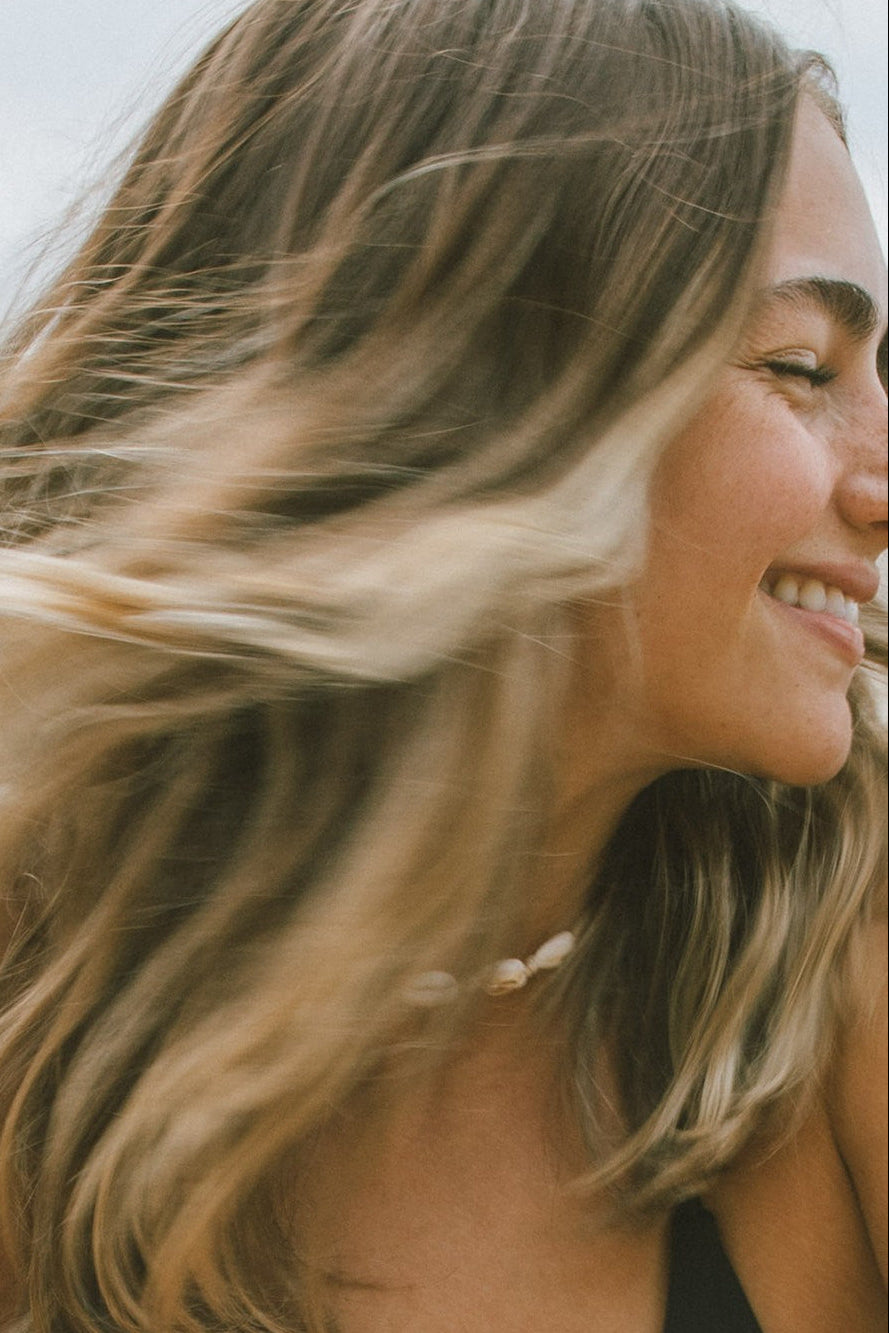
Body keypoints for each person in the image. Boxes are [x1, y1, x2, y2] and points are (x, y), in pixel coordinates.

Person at [0, 0, 885, 1329]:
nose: (878, 478)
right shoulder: (39, 1019)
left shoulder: (835, 983)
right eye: (798, 364)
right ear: (480, 387)